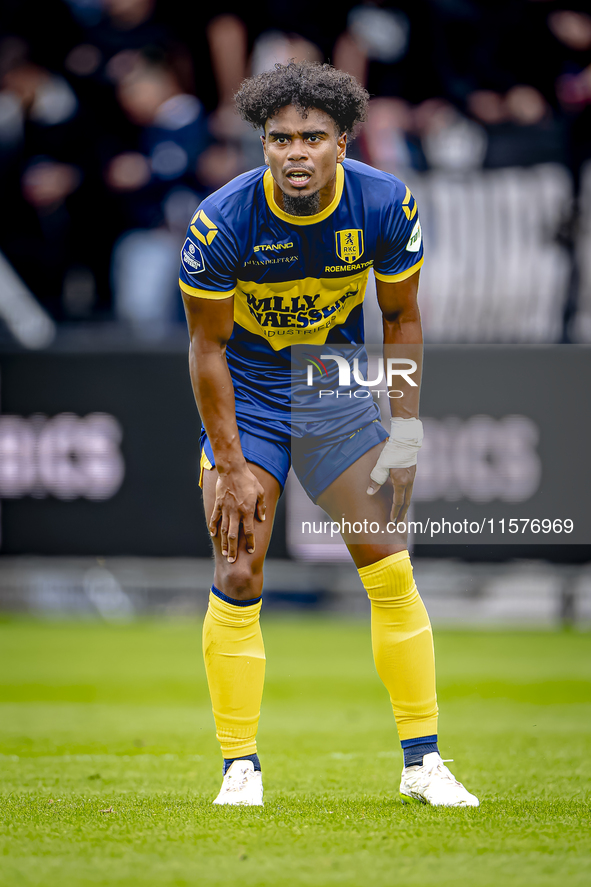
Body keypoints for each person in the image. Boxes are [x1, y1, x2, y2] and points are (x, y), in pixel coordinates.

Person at [179, 61, 479, 808]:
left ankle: (422, 762)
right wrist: (230, 461)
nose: (295, 153)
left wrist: (404, 431)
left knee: (388, 565)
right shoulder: (221, 221)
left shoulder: (385, 205)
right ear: (262, 145)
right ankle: (239, 767)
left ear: (343, 141)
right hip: (248, 394)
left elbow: (402, 319)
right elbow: (206, 349)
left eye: (312, 136)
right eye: (279, 138)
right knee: (239, 566)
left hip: (332, 386)